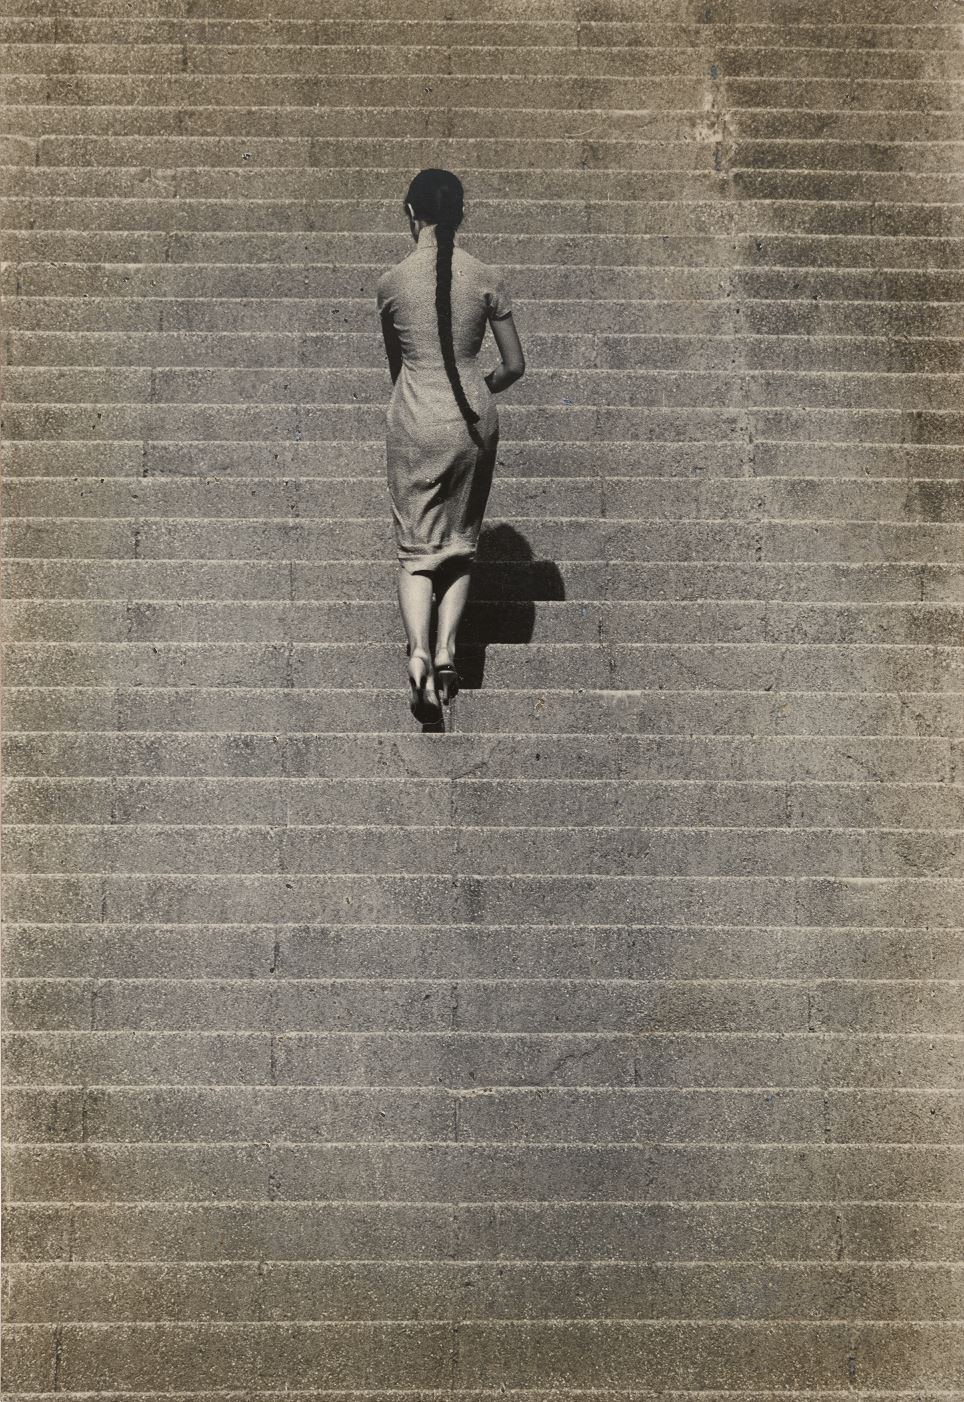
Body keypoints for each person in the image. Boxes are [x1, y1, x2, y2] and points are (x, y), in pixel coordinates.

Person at [376, 168, 526, 723]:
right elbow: (514, 366)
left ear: (410, 214)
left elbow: (400, 369)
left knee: (417, 552)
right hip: (471, 420)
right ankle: (446, 654)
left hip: (414, 418)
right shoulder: (487, 277)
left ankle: (416, 653)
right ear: (463, 214)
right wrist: (476, 391)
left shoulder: (391, 284)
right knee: (460, 543)